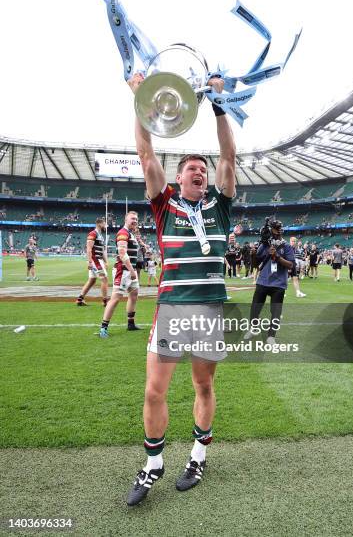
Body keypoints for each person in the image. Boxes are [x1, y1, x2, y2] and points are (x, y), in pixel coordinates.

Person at [126, 73, 235, 506]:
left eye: (203, 171)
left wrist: (219, 104)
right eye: (192, 169)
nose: (200, 173)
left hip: (209, 310)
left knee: (203, 387)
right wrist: (142, 101)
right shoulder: (163, 203)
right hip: (172, 309)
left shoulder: (220, 207)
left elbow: (228, 155)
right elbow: (144, 150)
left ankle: (198, 455)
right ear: (178, 176)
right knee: (155, 389)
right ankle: (153, 465)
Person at [245, 221, 295, 343]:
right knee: (255, 308)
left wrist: (277, 256)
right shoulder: (264, 245)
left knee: (276, 311)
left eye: (276, 229)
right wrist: (252, 255)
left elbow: (291, 265)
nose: (274, 232)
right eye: (272, 229)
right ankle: (253, 328)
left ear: (280, 231)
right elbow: (256, 264)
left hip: (279, 283)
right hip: (263, 281)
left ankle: (271, 335)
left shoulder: (286, 246)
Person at [97, 211, 142, 337]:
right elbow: (122, 253)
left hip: (130, 270)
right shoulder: (123, 233)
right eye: (132, 218)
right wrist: (132, 271)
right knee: (116, 298)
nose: (135, 221)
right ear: (126, 219)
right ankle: (103, 328)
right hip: (123, 270)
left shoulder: (130, 233)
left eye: (136, 219)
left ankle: (131, 323)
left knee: (134, 294)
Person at [76, 218, 108, 306]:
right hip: (95, 260)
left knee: (92, 280)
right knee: (104, 279)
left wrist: (106, 261)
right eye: (104, 224)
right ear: (99, 224)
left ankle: (80, 299)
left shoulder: (100, 235)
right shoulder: (93, 233)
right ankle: (105, 301)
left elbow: (103, 250)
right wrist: (90, 262)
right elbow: (89, 249)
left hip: (98, 260)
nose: (105, 226)